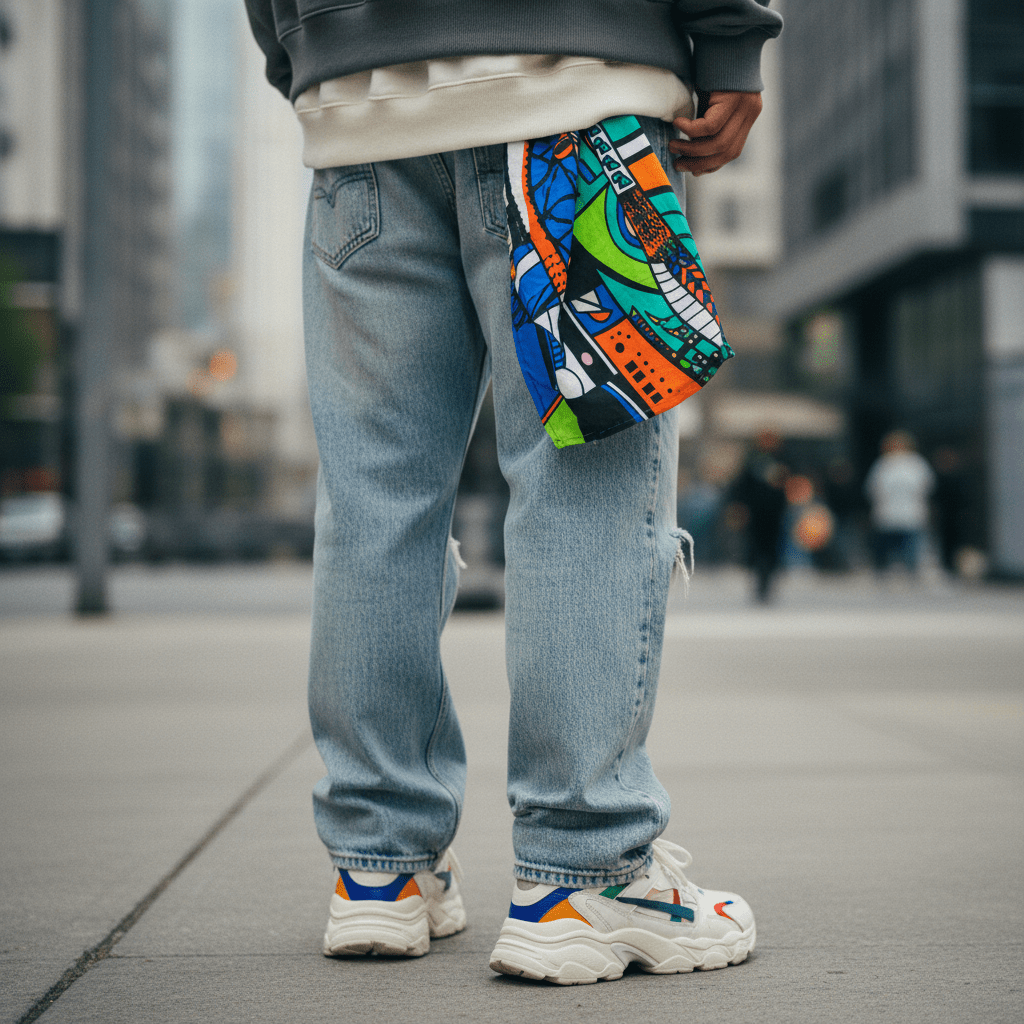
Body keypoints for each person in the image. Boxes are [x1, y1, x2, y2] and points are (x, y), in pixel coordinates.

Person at [244, 0, 782, 984]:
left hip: (361, 124)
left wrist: (316, 57)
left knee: (373, 501)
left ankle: (381, 872)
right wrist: (730, 37)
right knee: (587, 489)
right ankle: (584, 873)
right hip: (572, 97)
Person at [726, 429, 789, 603]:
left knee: (771, 550)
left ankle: (767, 583)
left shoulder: (783, 460)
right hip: (756, 513)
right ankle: (759, 583)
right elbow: (741, 485)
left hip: (775, 513)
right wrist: (739, 506)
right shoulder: (753, 460)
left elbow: (790, 485)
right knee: (756, 549)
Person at [864, 430, 936, 576]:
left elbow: (927, 486)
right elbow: (872, 489)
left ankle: (910, 572)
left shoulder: (915, 463)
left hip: (908, 513)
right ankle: (888, 572)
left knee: (909, 549)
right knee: (889, 549)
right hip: (890, 514)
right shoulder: (884, 464)